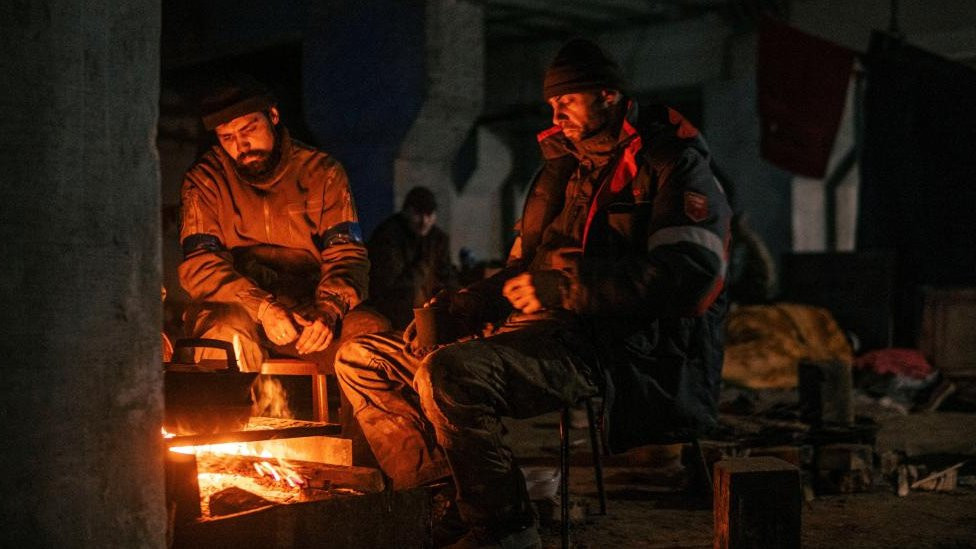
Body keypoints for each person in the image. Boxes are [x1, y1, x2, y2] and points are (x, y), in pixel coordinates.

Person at [334, 38, 731, 549]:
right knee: (360, 357)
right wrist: (460, 310)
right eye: (551, 102)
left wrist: (565, 287)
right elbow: (519, 272)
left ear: (608, 96)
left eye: (568, 98)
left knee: (450, 374)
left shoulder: (670, 164)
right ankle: (446, 497)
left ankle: (507, 530)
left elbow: (691, 273)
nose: (556, 110)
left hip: (607, 344)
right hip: (528, 331)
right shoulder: (560, 171)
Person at [178, 74, 387, 373]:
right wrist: (263, 307)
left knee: (370, 334)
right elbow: (201, 266)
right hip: (236, 307)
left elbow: (347, 256)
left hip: (309, 308)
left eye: (249, 129)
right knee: (222, 334)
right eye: (228, 138)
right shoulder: (204, 181)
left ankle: (369, 420)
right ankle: (223, 419)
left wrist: (328, 310)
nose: (242, 145)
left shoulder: (322, 173)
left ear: (273, 116)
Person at [366, 186, 458, 330]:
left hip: (427, 315)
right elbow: (388, 285)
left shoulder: (437, 239)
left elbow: (447, 276)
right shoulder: (388, 236)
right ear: (406, 212)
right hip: (394, 316)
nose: (424, 221)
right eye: (418, 214)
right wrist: (424, 265)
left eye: (429, 215)